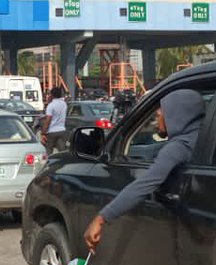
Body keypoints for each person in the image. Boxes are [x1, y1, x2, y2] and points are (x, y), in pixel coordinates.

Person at [83, 89, 206, 252]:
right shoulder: (203, 139)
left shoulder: (177, 148)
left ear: (177, 114)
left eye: (162, 112)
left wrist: (101, 219)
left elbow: (146, 183)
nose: (157, 116)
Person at [43, 86, 68, 156]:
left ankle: (48, 165)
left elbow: (48, 120)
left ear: (52, 95)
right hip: (62, 130)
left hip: (52, 131)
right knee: (62, 151)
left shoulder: (51, 106)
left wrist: (43, 132)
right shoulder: (64, 104)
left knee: (49, 150)